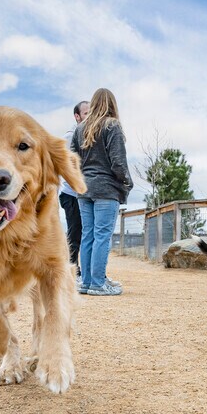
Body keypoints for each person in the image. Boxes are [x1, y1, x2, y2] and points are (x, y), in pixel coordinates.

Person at [71, 88, 133, 296]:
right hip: (106, 189)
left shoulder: (80, 129)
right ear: (112, 104)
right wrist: (126, 183)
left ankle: (87, 282)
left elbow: (72, 160)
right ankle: (98, 283)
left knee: (87, 235)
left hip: (84, 189)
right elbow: (118, 162)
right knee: (102, 236)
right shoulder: (112, 126)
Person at [59, 101, 89, 287]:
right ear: (77, 117)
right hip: (71, 194)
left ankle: (83, 272)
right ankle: (72, 271)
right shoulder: (70, 136)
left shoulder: (87, 133)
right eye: (86, 113)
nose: (90, 115)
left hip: (82, 193)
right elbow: (65, 166)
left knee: (85, 232)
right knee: (75, 232)